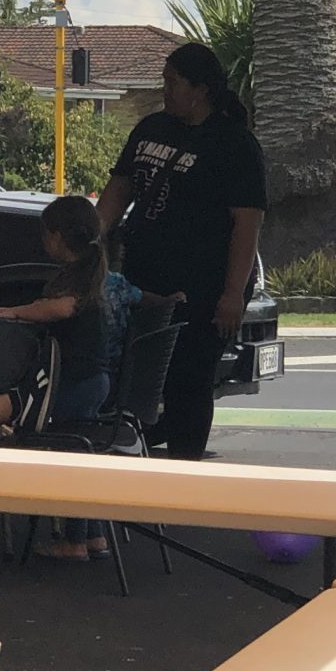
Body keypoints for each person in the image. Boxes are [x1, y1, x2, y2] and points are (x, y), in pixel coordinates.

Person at [98, 42, 266, 461]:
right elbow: (118, 192)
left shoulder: (233, 144)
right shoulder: (151, 129)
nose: (165, 90)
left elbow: (247, 224)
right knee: (138, 375)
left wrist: (232, 294)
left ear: (200, 90)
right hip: (145, 277)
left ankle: (186, 462)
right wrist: (90, 240)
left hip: (203, 285)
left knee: (189, 379)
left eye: (173, 82)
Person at [0, 194, 117, 560]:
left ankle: (74, 541)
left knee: (66, 448)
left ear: (57, 237)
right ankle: (92, 535)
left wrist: (13, 312)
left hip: (73, 384)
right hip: (94, 382)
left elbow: (61, 308)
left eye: (45, 234)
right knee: (79, 447)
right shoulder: (91, 273)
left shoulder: (74, 281)